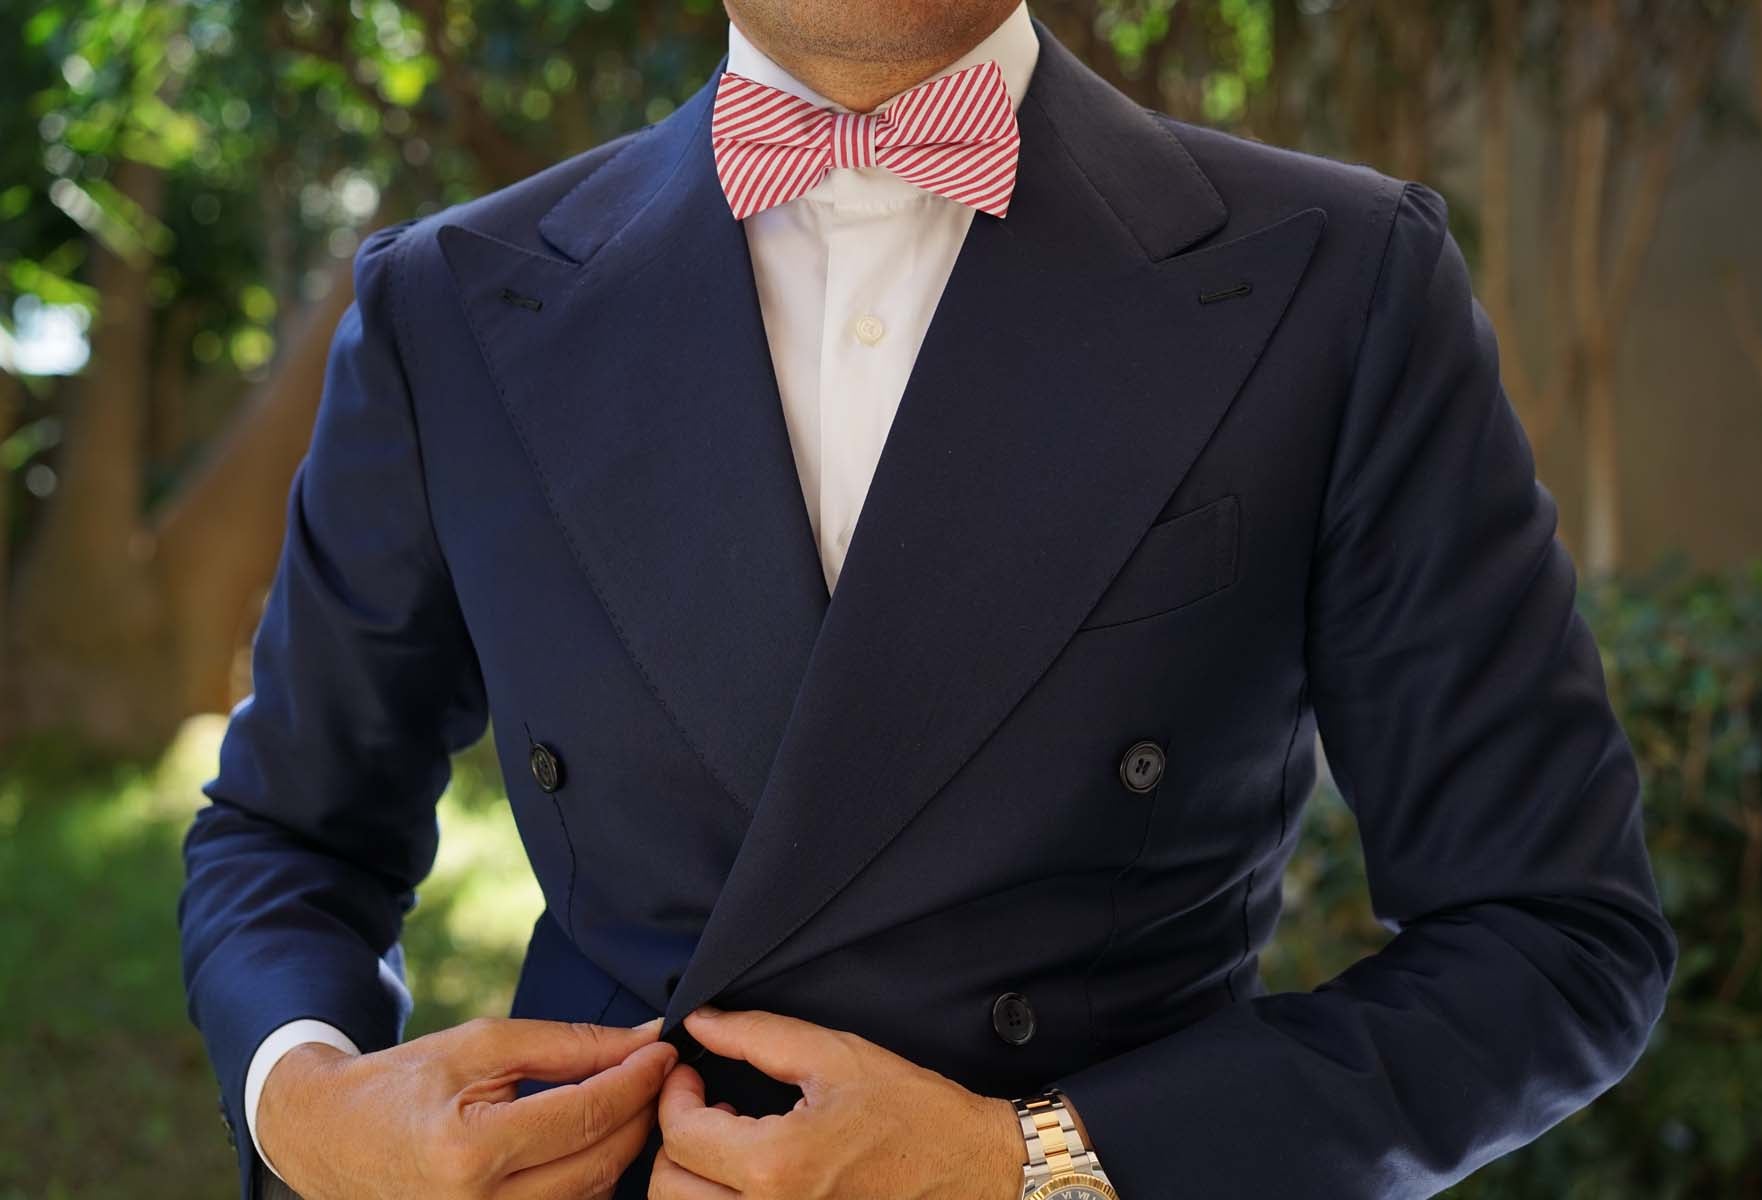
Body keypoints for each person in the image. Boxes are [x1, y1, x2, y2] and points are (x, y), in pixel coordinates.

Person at [177, 0, 1680, 1197]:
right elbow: (289, 832)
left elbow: (1555, 938)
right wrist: (311, 1109)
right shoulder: (451, 304)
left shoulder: (1338, 283)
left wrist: (1036, 1165)